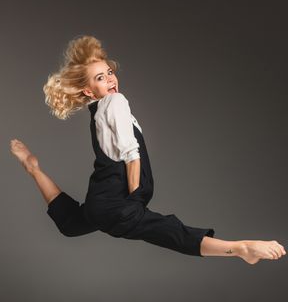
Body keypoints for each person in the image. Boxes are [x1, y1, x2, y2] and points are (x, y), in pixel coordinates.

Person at [10, 35, 286, 265]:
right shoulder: (115, 102)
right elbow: (131, 152)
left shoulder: (98, 111)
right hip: (116, 204)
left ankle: (33, 168)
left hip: (100, 203)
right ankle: (240, 248)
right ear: (89, 91)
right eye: (100, 78)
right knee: (169, 231)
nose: (110, 80)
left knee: (71, 224)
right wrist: (136, 196)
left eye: (109, 73)